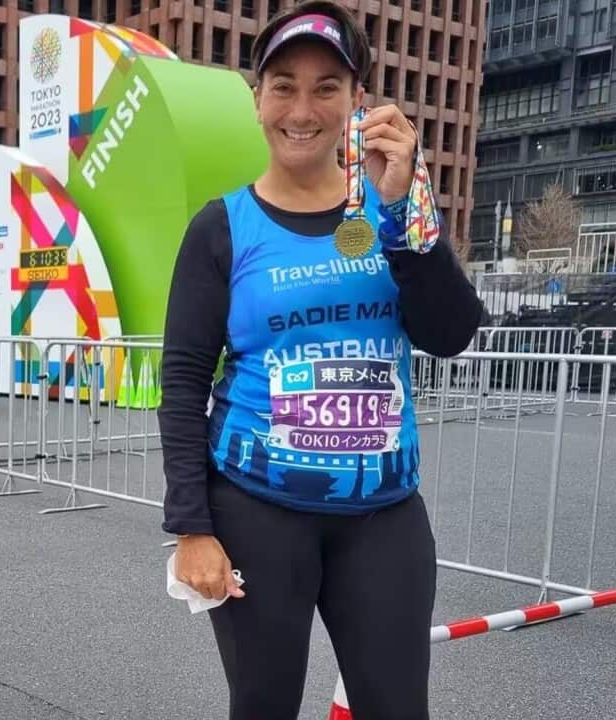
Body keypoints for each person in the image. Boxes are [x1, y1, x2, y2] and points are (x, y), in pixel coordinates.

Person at [159, 5, 481, 719]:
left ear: (356, 101)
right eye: (283, 85)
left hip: (383, 517)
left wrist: (403, 215)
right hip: (255, 512)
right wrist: (192, 527)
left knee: (397, 708)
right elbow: (182, 383)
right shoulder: (222, 227)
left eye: (326, 87)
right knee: (264, 705)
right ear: (257, 98)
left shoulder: (395, 209)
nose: (302, 109)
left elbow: (452, 332)